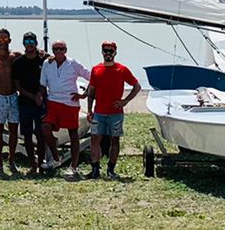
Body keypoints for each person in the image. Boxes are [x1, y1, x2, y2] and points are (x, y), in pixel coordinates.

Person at [85, 41, 140, 179]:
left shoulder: (122, 69)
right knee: (94, 139)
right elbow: (91, 92)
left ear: (115, 52)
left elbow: (136, 86)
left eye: (111, 51)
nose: (108, 53)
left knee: (114, 140)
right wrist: (89, 110)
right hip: (98, 112)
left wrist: (125, 101)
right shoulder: (96, 69)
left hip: (115, 113)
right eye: (105, 50)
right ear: (102, 52)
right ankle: (95, 169)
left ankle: (111, 169)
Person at [40, 40, 88, 177]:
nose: (59, 52)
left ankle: (74, 166)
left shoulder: (73, 63)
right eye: (56, 49)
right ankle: (56, 158)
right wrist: (38, 96)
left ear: (66, 50)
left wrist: (84, 94)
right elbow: (43, 84)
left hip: (70, 103)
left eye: (61, 49)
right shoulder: (47, 63)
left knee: (73, 134)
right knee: (45, 127)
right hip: (53, 102)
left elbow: (91, 77)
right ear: (52, 50)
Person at [14, 31, 48, 173]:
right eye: (27, 42)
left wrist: (39, 95)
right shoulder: (19, 62)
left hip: (41, 103)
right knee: (27, 135)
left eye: (32, 42)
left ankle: (41, 163)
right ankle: (32, 165)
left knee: (41, 134)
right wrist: (32, 96)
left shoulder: (44, 60)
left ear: (36, 43)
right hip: (25, 102)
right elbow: (17, 85)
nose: (29, 45)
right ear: (23, 44)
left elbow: (46, 79)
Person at [0, 29, 20, 174]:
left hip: (13, 96)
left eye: (5, 39)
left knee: (14, 130)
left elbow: (34, 54)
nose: (3, 42)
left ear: (9, 40)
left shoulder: (15, 56)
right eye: (0, 39)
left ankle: (12, 160)